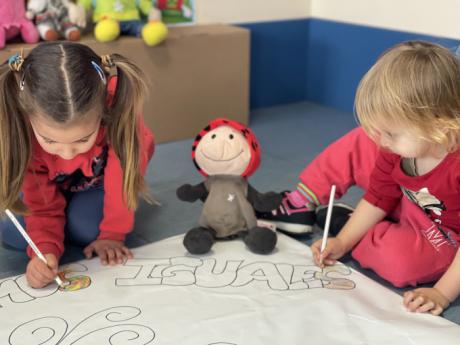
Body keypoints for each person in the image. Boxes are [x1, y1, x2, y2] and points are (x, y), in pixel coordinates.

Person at [262, 41, 460, 315]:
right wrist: (342, 242)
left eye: (390, 133)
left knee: (401, 263)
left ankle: (351, 223)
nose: (382, 140)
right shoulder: (399, 146)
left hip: (443, 232)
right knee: (361, 141)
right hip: (409, 200)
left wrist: (442, 293)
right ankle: (301, 202)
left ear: (439, 126)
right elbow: (378, 196)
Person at [0, 41, 154, 288]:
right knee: (12, 233)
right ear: (28, 117)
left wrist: (112, 235)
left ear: (104, 109)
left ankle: (68, 223)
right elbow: (40, 205)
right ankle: (61, 226)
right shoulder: (22, 130)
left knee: (87, 229)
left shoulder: (119, 114)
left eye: (83, 139)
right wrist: (46, 249)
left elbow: (121, 184)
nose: (68, 154)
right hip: (49, 189)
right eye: (50, 140)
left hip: (95, 187)